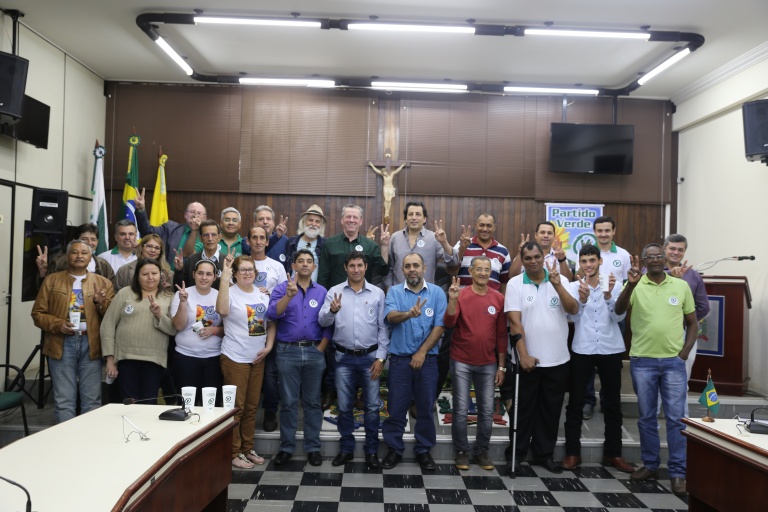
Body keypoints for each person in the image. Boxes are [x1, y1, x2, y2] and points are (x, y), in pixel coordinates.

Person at [615, 244, 697, 497]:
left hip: (673, 362)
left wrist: (684, 353)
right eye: (649, 257)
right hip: (643, 362)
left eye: (658, 256)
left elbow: (693, 323)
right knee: (647, 417)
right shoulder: (635, 285)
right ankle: (650, 465)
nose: (655, 260)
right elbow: (618, 310)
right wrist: (630, 285)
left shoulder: (680, 286)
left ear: (664, 259)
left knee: (676, 418)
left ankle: (678, 472)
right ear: (644, 261)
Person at [505, 241, 578, 475]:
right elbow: (514, 322)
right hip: (526, 361)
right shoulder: (515, 284)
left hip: (557, 359)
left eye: (537, 256)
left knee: (550, 411)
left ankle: (544, 455)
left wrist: (558, 285)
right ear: (522, 259)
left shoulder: (560, 279)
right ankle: (516, 455)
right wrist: (524, 354)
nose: (533, 261)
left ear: (543, 257)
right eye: (528, 258)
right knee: (522, 411)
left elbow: (573, 309)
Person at [561, 245, 634, 473]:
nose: (588, 265)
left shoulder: (614, 284)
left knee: (612, 404)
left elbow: (619, 317)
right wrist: (582, 300)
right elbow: (571, 316)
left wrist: (609, 296)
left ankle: (614, 453)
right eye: (584, 261)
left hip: (610, 349)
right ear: (579, 264)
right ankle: (572, 453)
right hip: (582, 348)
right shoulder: (573, 287)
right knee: (575, 403)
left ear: (600, 261)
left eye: (592, 260)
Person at [31, 239, 115, 423]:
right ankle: (65, 439)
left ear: (91, 257)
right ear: (67, 256)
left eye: (84, 253)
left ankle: (88, 439)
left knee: (92, 401)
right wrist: (58, 324)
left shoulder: (103, 283)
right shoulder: (52, 280)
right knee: (64, 401)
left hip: (91, 344)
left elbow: (112, 319)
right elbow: (37, 314)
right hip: (60, 344)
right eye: (74, 252)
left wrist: (101, 303)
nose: (79, 256)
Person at [319, 251, 389, 468]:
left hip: (370, 358)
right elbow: (322, 322)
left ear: (366, 267)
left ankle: (371, 451)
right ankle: (346, 449)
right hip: (343, 359)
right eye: (352, 266)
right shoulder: (334, 291)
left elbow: (383, 329)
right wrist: (332, 311)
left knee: (372, 407)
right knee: (344, 406)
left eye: (360, 265)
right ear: (345, 267)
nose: (356, 269)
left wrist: (381, 358)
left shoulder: (377, 293)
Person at [317, 204, 390, 410]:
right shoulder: (330, 243)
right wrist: (327, 306)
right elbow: (323, 276)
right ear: (342, 220)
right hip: (335, 304)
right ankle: (331, 389)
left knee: (360, 347)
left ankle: (359, 394)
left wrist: (384, 246)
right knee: (336, 350)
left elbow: (383, 270)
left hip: (363, 302)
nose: (351, 220)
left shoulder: (369, 245)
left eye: (355, 217)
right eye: (347, 217)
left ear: (360, 221)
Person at [381, 253, 446, 470]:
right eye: (407, 266)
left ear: (424, 268)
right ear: (402, 270)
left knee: (425, 409)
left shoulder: (437, 293)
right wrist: (408, 314)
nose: (412, 269)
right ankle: (394, 449)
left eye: (416, 265)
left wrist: (422, 352)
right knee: (396, 408)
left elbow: (440, 326)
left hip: (427, 362)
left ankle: (423, 451)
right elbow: (390, 317)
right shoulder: (394, 292)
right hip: (399, 362)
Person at [267, 249, 331, 467]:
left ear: (314, 267)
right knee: (288, 402)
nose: (305, 264)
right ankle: (286, 447)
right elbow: (272, 314)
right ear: (293, 266)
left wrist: (322, 347)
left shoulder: (322, 291)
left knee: (313, 402)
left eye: (309, 261)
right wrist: (288, 296)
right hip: (288, 352)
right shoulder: (281, 288)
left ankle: (313, 448)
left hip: (314, 351)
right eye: (300, 261)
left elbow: (329, 321)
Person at [442, 256, 506, 471]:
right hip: (461, 360)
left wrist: (502, 366)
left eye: (487, 270)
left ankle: (481, 452)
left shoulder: (498, 298)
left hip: (488, 363)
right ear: (470, 271)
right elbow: (449, 322)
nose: (483, 273)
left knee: (487, 411)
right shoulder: (461, 294)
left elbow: (501, 335)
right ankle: (461, 452)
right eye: (479, 269)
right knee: (460, 410)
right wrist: (452, 300)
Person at [217, 254, 275, 469]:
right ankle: (234, 452)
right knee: (236, 408)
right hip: (235, 358)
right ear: (235, 273)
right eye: (243, 269)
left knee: (251, 408)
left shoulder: (262, 294)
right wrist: (224, 278)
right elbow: (222, 311)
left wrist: (269, 347)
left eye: (251, 269)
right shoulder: (229, 292)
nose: (248, 273)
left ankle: (247, 448)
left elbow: (271, 323)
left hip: (257, 358)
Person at [101, 258, 177, 403]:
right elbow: (107, 325)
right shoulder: (125, 293)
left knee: (148, 404)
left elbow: (173, 330)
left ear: (160, 275)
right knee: (129, 404)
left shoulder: (169, 297)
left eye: (154, 273)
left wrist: (158, 314)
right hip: (126, 359)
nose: (150, 277)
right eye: (145, 274)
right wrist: (110, 359)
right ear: (137, 276)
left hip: (154, 361)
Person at [579, 216, 631, 420]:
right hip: (590, 312)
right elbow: (579, 279)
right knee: (588, 360)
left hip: (613, 310)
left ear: (614, 231)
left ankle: (608, 401)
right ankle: (588, 401)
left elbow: (628, 286)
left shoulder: (623, 255)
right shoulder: (587, 253)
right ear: (594, 232)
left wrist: (614, 296)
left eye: (607, 230)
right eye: (599, 230)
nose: (603, 234)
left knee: (611, 362)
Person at [663, 233, 711, 417]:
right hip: (657, 335)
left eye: (680, 250)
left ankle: (681, 421)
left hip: (684, 334)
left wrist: (686, 321)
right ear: (665, 249)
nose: (676, 252)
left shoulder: (693, 276)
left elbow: (703, 307)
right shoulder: (653, 271)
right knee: (655, 378)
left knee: (681, 378)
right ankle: (655, 421)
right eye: (672, 248)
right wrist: (670, 275)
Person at [248, 225, 288, 432]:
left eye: (261, 238)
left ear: (267, 241)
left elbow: (285, 295)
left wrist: (269, 294)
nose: (258, 241)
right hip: (244, 328)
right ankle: (244, 414)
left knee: (271, 375)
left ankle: (270, 411)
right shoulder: (242, 263)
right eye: (254, 237)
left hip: (270, 325)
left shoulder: (276, 266)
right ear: (248, 241)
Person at [170, 259, 224, 406]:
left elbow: (230, 328)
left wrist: (215, 330)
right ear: (193, 274)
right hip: (186, 357)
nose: (204, 277)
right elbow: (178, 326)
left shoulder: (220, 296)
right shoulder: (182, 293)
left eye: (208, 274)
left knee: (211, 405)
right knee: (187, 405)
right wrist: (183, 302)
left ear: (215, 277)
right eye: (200, 273)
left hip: (213, 358)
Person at [387, 201, 457, 286]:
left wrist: (444, 242)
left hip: (426, 291)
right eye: (411, 214)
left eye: (418, 214)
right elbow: (389, 267)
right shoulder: (395, 238)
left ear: (424, 219)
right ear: (405, 219)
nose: (414, 218)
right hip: (399, 291)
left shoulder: (434, 238)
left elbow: (452, 262)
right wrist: (389, 288)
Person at [134, 188, 206, 264]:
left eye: (199, 213)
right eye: (192, 212)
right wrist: (141, 210)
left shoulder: (208, 236)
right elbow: (147, 231)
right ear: (185, 215)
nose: (195, 215)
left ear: (205, 218)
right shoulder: (170, 228)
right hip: (167, 271)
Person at [36, 223, 115, 286]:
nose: (89, 243)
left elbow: (112, 290)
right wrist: (43, 272)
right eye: (84, 239)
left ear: (97, 242)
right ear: (75, 240)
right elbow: (44, 290)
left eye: (93, 239)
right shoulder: (58, 262)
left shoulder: (103, 265)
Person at [173, 219, 226, 291]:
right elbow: (179, 288)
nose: (210, 239)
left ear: (219, 237)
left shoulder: (227, 261)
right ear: (200, 238)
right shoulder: (192, 260)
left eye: (213, 235)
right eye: (206, 235)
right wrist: (179, 270)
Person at [284, 204, 327, 282]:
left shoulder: (325, 244)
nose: (313, 224)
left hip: (316, 288)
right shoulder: (291, 242)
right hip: (293, 287)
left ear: (321, 225)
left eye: (317, 221)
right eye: (310, 220)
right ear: (304, 222)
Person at [368, 152, 406, 222]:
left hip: (390, 188)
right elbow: (376, 170)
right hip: (385, 188)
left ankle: (387, 211)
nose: (384, 174)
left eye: (384, 172)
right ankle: (386, 212)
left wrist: (402, 165)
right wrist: (372, 165)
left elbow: (397, 170)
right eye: (383, 173)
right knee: (386, 200)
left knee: (389, 200)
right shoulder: (383, 176)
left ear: (386, 172)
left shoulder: (391, 175)